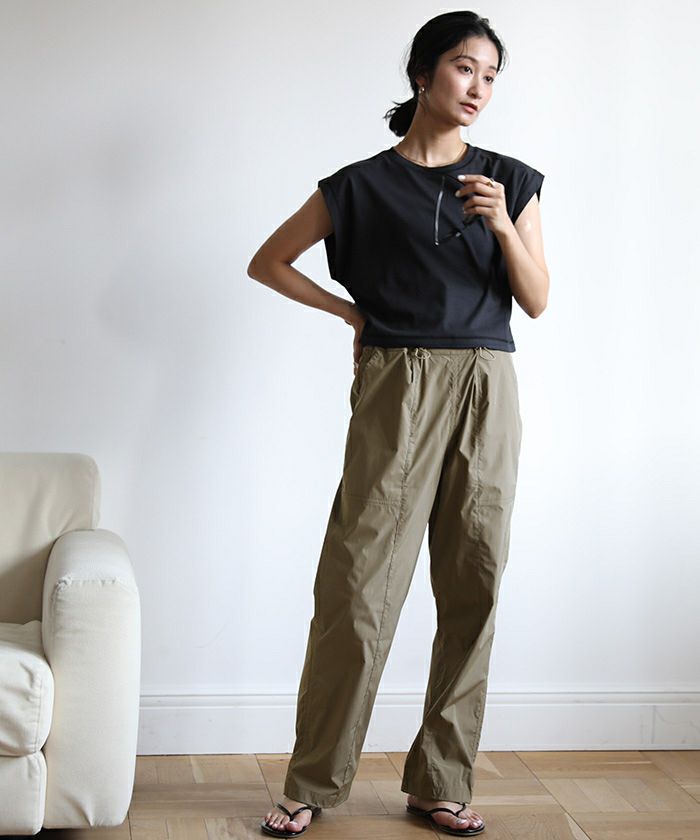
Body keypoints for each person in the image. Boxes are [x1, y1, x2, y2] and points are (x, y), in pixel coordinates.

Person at [248, 10, 548, 837]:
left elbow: (536, 299)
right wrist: (350, 314)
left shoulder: (511, 180)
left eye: (491, 75)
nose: (479, 87)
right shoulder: (359, 186)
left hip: (486, 381)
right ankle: (313, 780)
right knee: (357, 583)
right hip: (396, 381)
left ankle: (441, 780)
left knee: (474, 579)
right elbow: (268, 261)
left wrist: (500, 222)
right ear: (423, 73)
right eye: (464, 68)